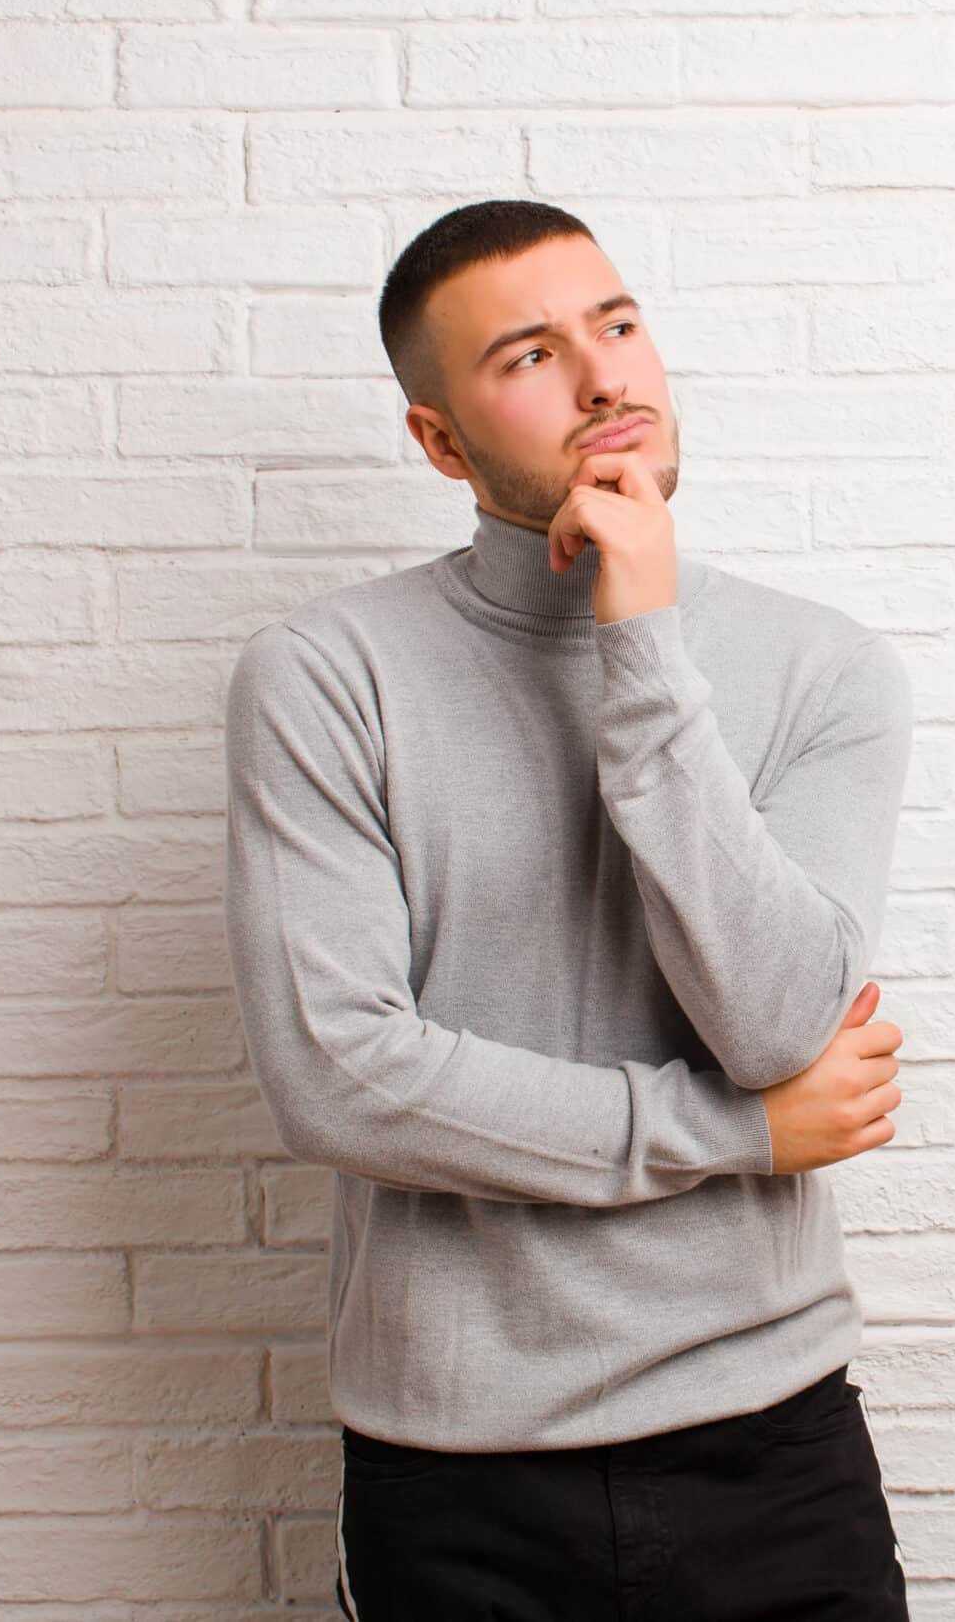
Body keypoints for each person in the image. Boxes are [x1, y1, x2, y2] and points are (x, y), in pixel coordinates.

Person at [220, 198, 914, 1618]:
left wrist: (641, 643)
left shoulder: (826, 669)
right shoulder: (325, 675)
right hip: (456, 1471)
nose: (603, 378)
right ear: (440, 442)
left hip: (773, 1446)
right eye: (529, 355)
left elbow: (781, 1027)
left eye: (617, 324)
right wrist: (736, 1134)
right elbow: (342, 1076)